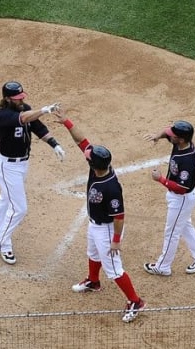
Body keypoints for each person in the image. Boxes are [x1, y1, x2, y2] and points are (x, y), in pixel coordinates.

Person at [52, 106, 146, 323]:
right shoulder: (98, 167)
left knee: (114, 269)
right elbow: (82, 141)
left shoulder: (111, 187)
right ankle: (93, 281)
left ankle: (135, 301)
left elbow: (119, 216)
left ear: (93, 164)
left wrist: (115, 241)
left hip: (108, 229)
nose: (86, 153)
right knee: (93, 254)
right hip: (96, 225)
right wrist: (67, 122)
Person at [0, 81, 65, 265]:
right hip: (7, 167)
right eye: (17, 98)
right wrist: (44, 110)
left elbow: (38, 128)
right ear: (7, 99)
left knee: (6, 199)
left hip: (21, 165)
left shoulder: (24, 108)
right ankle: (3, 244)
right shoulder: (3, 115)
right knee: (19, 208)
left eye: (22, 97)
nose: (21, 101)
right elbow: (24, 118)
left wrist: (55, 145)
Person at [143, 120, 195, 276]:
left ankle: (163, 266)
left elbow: (182, 188)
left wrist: (160, 179)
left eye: (173, 136)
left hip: (182, 199)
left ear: (180, 139)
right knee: (185, 226)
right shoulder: (181, 142)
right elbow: (167, 131)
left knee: (172, 232)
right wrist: (157, 136)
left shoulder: (187, 160)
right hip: (181, 199)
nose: (169, 136)